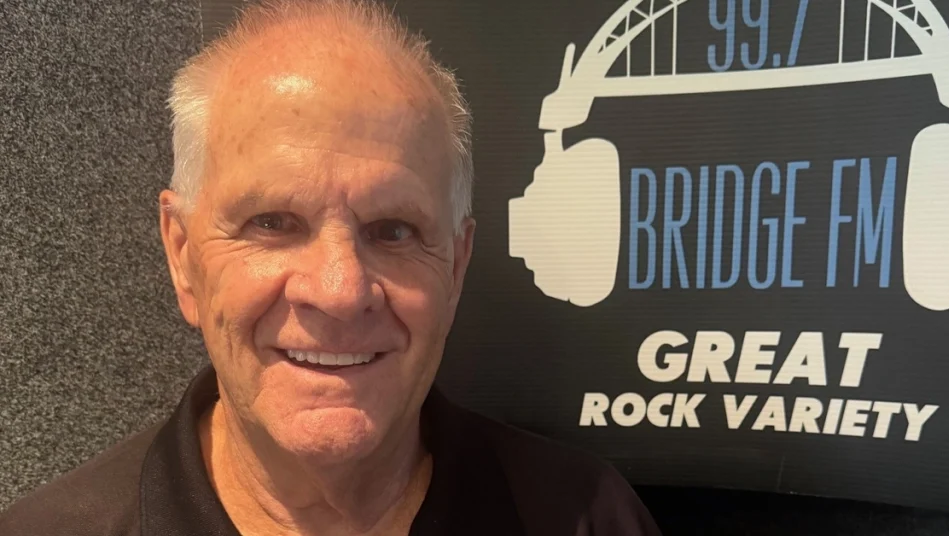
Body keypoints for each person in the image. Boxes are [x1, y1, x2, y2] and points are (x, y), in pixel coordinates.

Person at [0, 1, 661, 534]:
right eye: (272, 223)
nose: (341, 291)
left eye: (393, 230)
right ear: (182, 254)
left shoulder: (589, 518)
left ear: (456, 267)